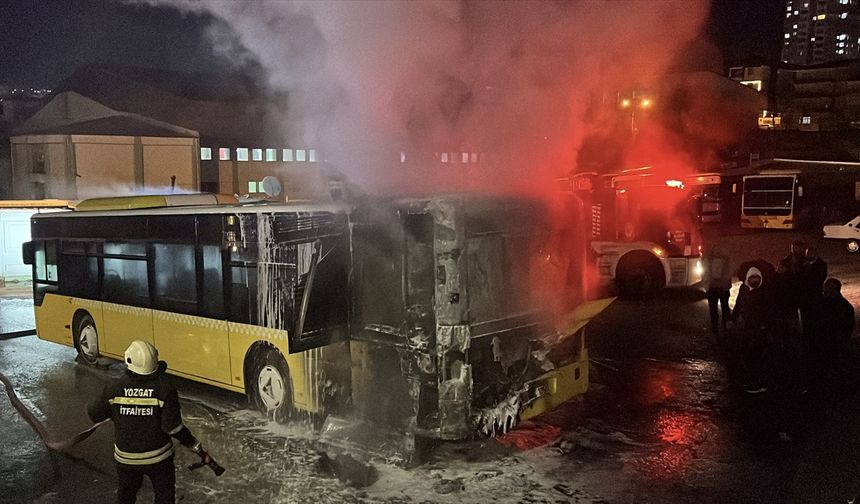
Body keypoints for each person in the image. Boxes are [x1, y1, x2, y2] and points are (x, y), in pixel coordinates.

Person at [88, 341, 213, 504]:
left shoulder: (113, 387)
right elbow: (172, 428)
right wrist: (194, 445)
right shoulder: (165, 388)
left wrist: (116, 412)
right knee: (164, 496)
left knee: (126, 495)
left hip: (126, 459)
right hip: (159, 459)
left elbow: (94, 414)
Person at [731, 266, 772, 393]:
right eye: (753, 278)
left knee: (757, 356)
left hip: (758, 330)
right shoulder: (744, 289)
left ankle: (760, 382)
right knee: (747, 354)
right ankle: (751, 379)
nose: (755, 280)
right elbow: (739, 304)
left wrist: (765, 326)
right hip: (747, 328)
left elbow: (768, 312)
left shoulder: (763, 292)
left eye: (757, 278)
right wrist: (733, 318)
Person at [703, 242, 733, 335]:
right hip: (715, 288)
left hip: (721, 288)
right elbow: (705, 273)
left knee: (722, 308)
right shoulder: (709, 260)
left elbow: (729, 272)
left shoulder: (724, 260)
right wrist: (707, 286)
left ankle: (722, 326)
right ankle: (717, 327)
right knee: (716, 309)